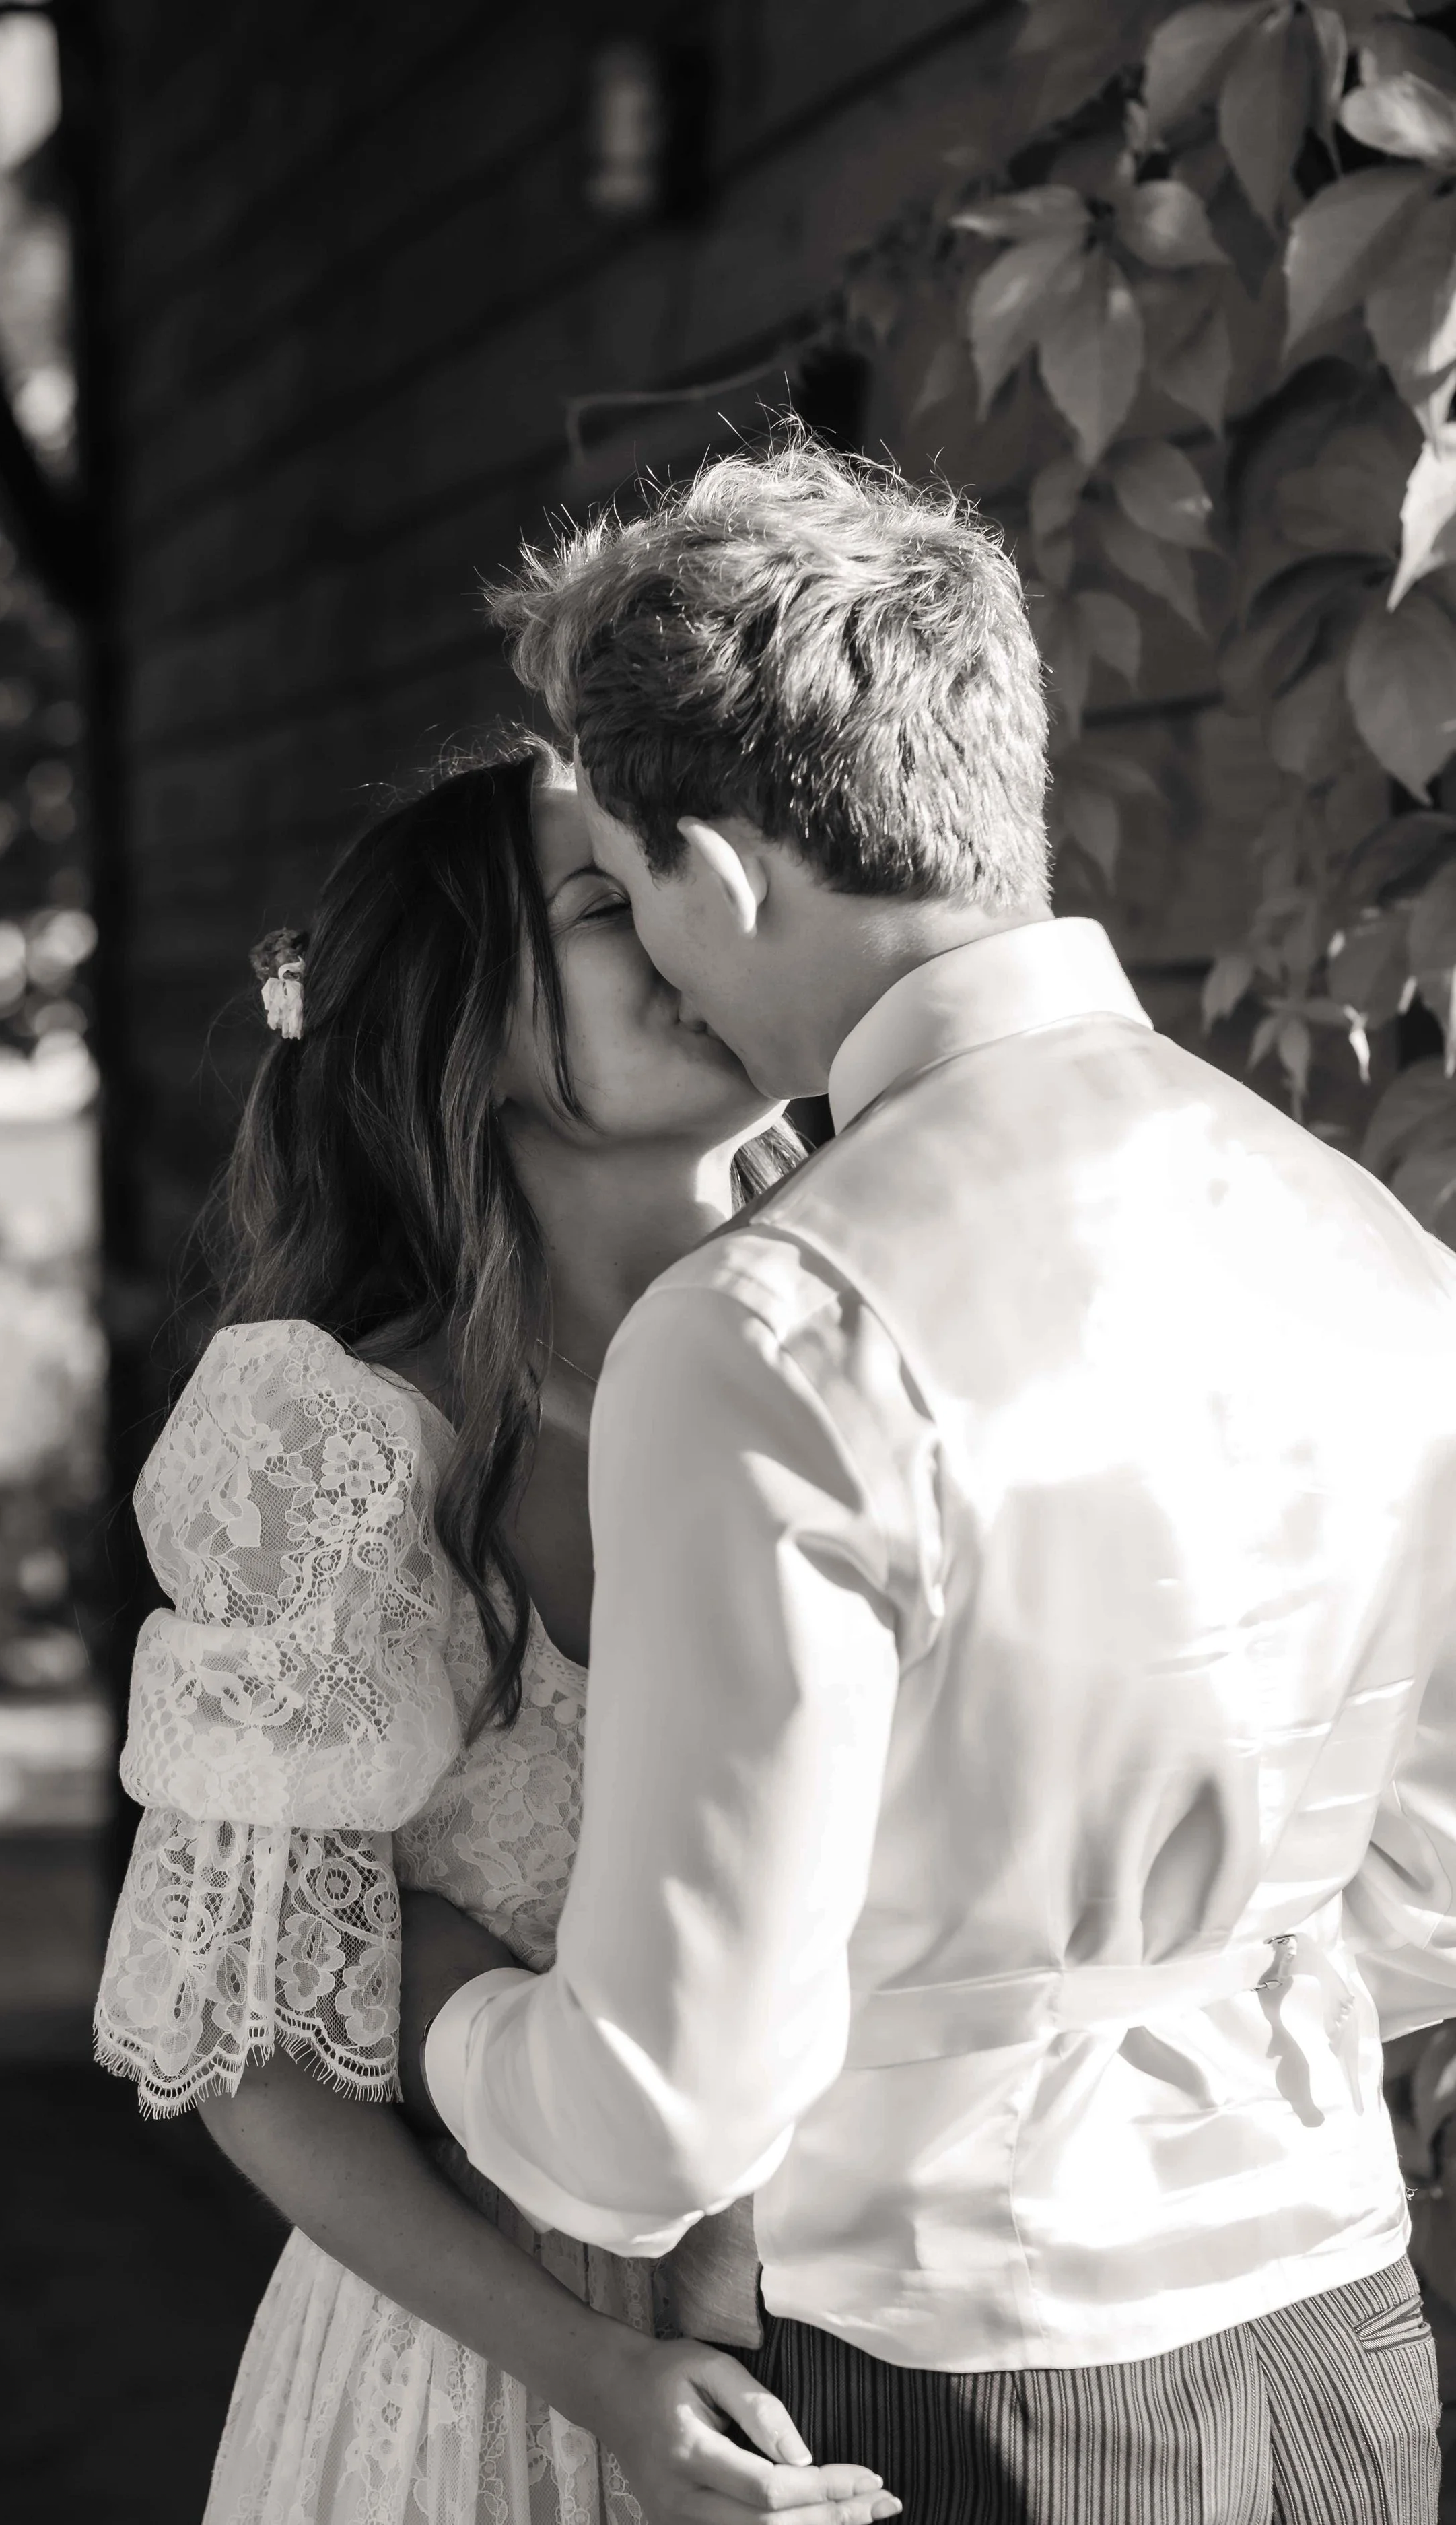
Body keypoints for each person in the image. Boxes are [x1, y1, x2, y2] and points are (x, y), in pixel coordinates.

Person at [405, 443, 1456, 2525]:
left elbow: (655, 2109)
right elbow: (1424, 1889)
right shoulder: (1371, 1245)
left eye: (624, 885)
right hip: (1340, 2344)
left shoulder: (776, 1325)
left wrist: (436, 1997)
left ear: (713, 870)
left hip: (951, 2391)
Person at [92, 739, 902, 2525]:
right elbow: (260, 2049)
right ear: (454, 1011)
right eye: (610, 901)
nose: (691, 930)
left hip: (940, 2313)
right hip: (502, 2374)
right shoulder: (338, 1437)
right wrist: (601, 2376)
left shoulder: (905, 1327)